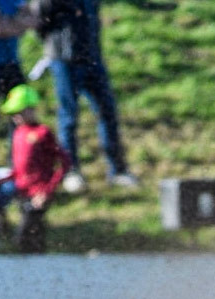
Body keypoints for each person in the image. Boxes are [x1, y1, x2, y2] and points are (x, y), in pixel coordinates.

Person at [33, 0, 136, 191]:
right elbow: (38, 19)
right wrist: (54, 45)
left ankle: (118, 170)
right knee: (69, 116)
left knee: (107, 111)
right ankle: (71, 171)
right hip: (64, 58)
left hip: (92, 57)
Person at [0, 84, 69, 253]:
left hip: (39, 192)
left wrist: (47, 190)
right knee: (35, 234)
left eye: (19, 112)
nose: (16, 117)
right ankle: (36, 270)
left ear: (30, 109)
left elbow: (64, 162)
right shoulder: (18, 133)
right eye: (13, 114)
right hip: (22, 192)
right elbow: (18, 169)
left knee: (23, 235)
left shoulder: (42, 132)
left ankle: (37, 266)